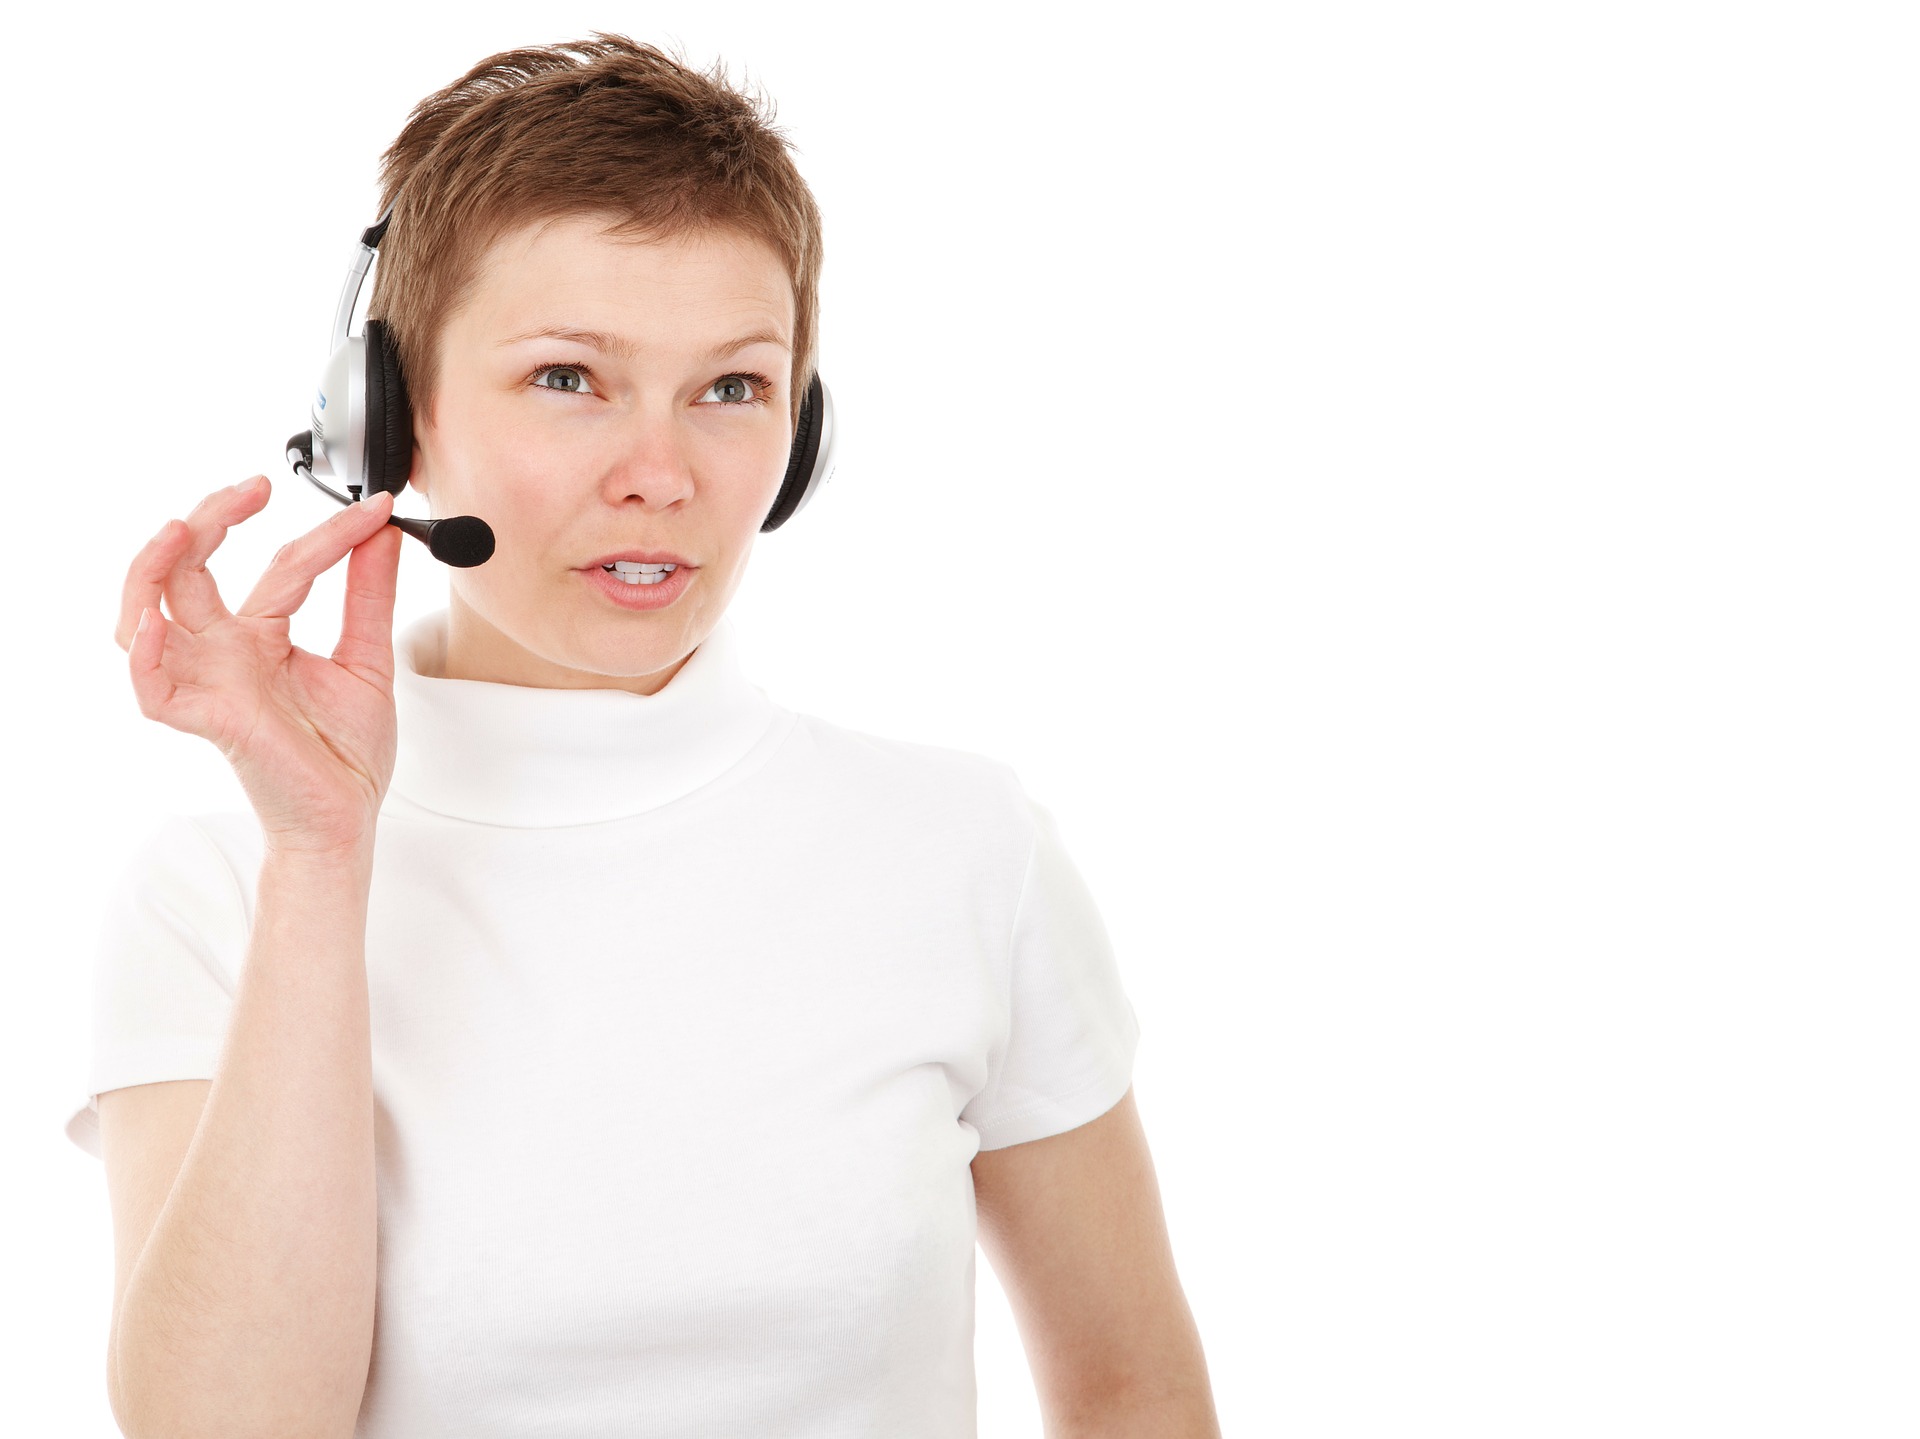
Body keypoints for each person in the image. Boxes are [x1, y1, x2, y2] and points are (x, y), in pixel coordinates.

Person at [69, 35, 1220, 1438]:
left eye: (731, 388)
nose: (662, 477)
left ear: (801, 434)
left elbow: (1133, 1391)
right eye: (569, 378)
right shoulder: (219, 892)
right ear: (391, 415)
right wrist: (320, 858)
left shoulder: (965, 849)